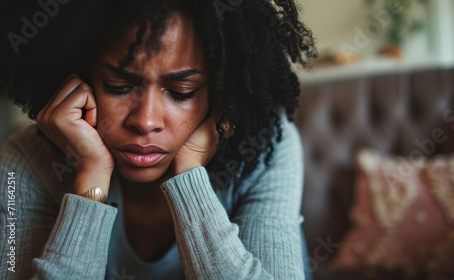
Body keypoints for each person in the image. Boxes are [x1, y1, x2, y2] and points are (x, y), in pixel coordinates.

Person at [0, 0, 316, 279]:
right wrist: (90, 180)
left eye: (182, 92)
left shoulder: (266, 149)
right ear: (78, 78)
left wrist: (190, 177)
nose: (146, 121)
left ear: (219, 92)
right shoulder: (26, 160)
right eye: (118, 86)